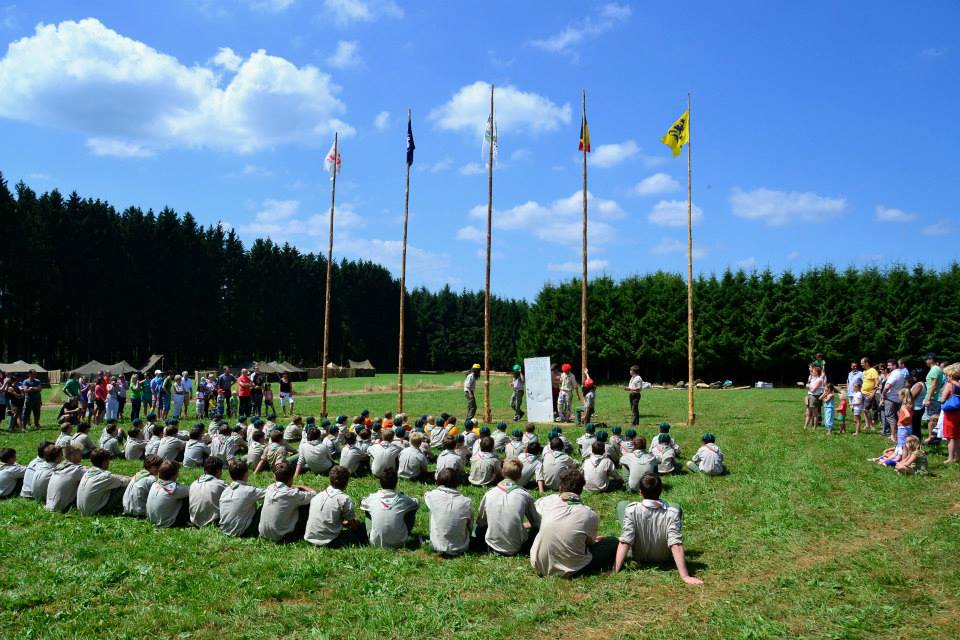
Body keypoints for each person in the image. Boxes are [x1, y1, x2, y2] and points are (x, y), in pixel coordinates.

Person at [613, 473, 702, 584]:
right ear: (661, 491)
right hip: (663, 556)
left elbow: (625, 540)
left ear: (641, 492)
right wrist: (685, 576)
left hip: (638, 555)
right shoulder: (672, 513)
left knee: (622, 505)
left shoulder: (632, 509)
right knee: (675, 506)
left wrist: (615, 569)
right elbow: (676, 544)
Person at [529, 468, 616, 578]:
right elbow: (589, 543)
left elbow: (535, 514)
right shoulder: (589, 514)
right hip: (570, 569)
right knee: (612, 542)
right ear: (581, 490)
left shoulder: (546, 502)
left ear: (560, 487)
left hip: (539, 564)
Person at [476, 459, 540, 556]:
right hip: (517, 547)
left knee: (477, 528)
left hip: (492, 545)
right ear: (520, 476)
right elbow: (536, 523)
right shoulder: (525, 495)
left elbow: (481, 522)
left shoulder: (489, 493)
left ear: (502, 472)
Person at [304, 465, 366, 548]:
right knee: (362, 527)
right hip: (330, 541)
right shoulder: (344, 499)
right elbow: (354, 526)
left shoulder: (317, 496)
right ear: (346, 482)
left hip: (310, 538)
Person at [360, 468, 420, 549]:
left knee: (367, 509)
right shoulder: (402, 499)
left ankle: (372, 533)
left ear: (380, 483)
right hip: (400, 542)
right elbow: (416, 503)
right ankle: (404, 532)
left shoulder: (372, 498)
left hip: (376, 542)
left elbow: (361, 502)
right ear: (396, 483)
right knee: (411, 508)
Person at [258, 461, 316, 543]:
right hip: (281, 536)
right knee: (307, 505)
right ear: (291, 478)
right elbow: (314, 494)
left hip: (263, 533)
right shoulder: (292, 494)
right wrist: (301, 486)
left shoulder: (270, 488)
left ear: (275, 477)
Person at [424, 468, 474, 557]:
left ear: (438, 481)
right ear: (457, 483)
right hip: (461, 547)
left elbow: (426, 494)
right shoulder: (467, 502)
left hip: (437, 546)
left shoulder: (431, 496)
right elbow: (470, 527)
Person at [218, 459, 267, 537]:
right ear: (246, 474)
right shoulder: (249, 490)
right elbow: (270, 493)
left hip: (225, 529)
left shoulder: (225, 490)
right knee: (265, 505)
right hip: (242, 532)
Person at [77, 448, 130, 516]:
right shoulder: (105, 477)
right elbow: (125, 482)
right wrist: (133, 477)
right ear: (104, 462)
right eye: (108, 460)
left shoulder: (88, 473)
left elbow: (113, 476)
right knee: (123, 487)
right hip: (96, 512)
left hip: (82, 510)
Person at [146, 460, 191, 527]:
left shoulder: (154, 484)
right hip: (168, 523)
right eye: (177, 472)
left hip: (152, 520)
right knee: (188, 497)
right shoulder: (175, 489)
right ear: (173, 475)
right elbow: (193, 490)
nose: (178, 474)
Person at [45, 445, 87, 512]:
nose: (81, 456)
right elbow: (91, 475)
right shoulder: (75, 470)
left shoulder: (59, 467)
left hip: (48, 506)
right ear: (72, 456)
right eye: (79, 453)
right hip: (61, 508)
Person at [188, 457, 228, 527]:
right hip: (213, 522)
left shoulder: (193, 483)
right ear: (218, 471)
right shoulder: (220, 484)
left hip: (194, 520)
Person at [939, 364, 960, 464]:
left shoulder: (949, 385)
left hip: (951, 413)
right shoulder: (958, 384)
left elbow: (942, 399)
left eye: (946, 375)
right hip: (958, 411)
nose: (946, 376)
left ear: (950, 375)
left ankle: (950, 458)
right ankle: (957, 457)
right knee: (957, 435)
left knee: (950, 437)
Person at [882, 359, 905, 437]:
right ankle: (898, 434)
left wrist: (884, 394)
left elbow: (888, 386)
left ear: (895, 365)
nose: (888, 367)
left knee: (890, 416)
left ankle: (893, 435)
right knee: (897, 416)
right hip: (899, 398)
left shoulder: (894, 374)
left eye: (889, 365)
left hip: (891, 398)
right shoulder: (901, 373)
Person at [924, 353, 946, 435]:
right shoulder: (937, 369)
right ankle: (935, 437)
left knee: (932, 419)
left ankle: (932, 438)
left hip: (934, 398)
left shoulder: (935, 369)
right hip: (935, 397)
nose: (925, 361)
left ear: (931, 359)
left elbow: (934, 384)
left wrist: (928, 398)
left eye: (927, 359)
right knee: (934, 418)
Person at [804, 363, 826, 431]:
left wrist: (808, 386)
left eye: (813, 371)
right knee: (808, 413)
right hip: (809, 396)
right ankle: (805, 427)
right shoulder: (813, 378)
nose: (812, 371)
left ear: (817, 372)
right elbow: (808, 387)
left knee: (815, 414)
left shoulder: (819, 379)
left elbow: (813, 390)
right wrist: (808, 386)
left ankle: (815, 428)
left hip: (814, 397)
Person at [860, 357, 879, 432]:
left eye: (862, 363)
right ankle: (867, 424)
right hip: (863, 392)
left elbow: (877, 382)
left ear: (867, 363)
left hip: (869, 394)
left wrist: (873, 393)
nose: (861, 364)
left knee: (866, 409)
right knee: (864, 410)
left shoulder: (873, 370)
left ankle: (871, 425)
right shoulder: (864, 372)